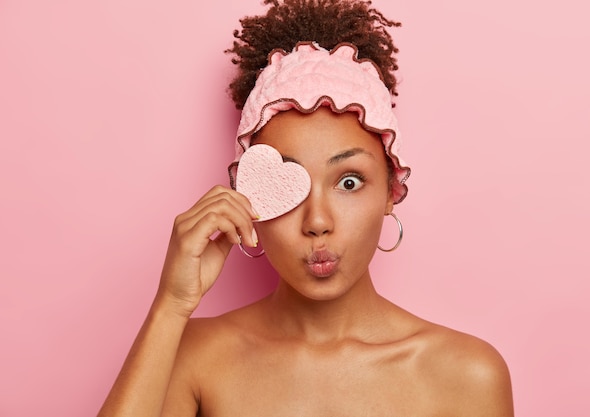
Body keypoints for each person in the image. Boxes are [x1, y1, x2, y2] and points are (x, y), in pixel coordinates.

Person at [98, 1, 514, 416]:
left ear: (391, 190)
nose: (317, 222)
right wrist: (171, 304)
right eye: (288, 184)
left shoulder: (466, 375)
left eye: (348, 182)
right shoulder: (195, 358)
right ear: (250, 199)